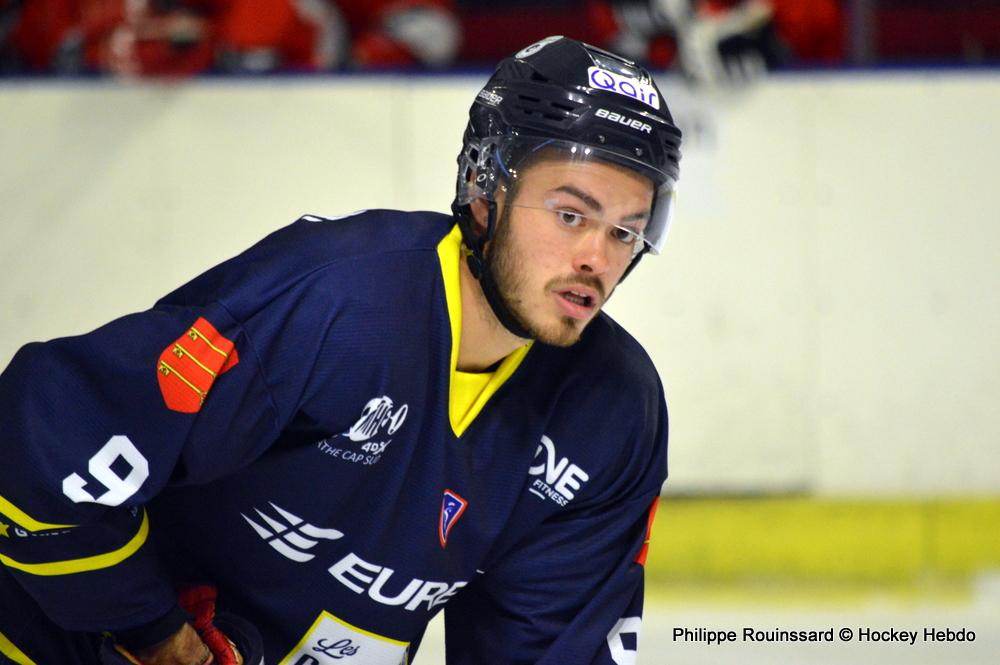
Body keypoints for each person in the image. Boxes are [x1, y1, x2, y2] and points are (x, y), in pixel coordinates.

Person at [0, 35, 681, 665]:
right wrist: (157, 635)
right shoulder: (334, 303)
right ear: (485, 191)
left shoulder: (610, 413)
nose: (597, 257)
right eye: (570, 214)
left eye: (626, 231)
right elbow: (38, 452)